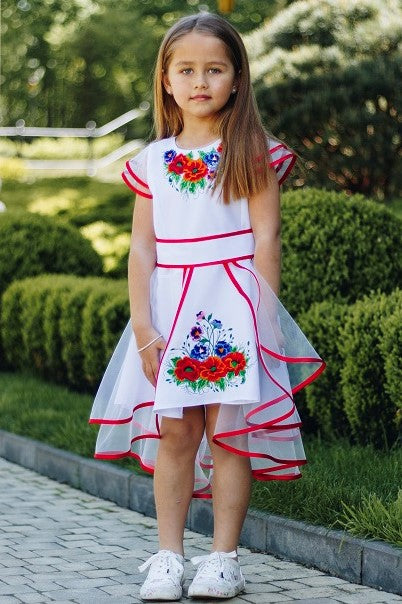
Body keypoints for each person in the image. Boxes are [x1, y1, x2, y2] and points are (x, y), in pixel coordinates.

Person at [89, 11, 325, 602]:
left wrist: (263, 320)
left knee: (227, 432)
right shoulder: (152, 161)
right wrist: (143, 324)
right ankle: (169, 555)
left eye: (214, 69)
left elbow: (266, 239)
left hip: (231, 307)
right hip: (170, 310)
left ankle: (224, 559)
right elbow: (142, 248)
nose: (200, 81)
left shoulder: (255, 153)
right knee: (175, 430)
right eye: (186, 69)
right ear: (166, 80)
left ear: (237, 79)